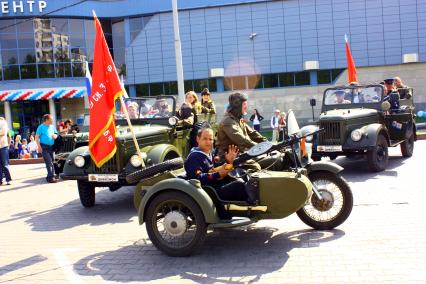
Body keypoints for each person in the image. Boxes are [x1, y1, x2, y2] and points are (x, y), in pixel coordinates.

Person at [185, 128, 255, 215]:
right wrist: (217, 174)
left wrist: (229, 162)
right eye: (205, 139)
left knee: (243, 175)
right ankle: (251, 208)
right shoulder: (194, 157)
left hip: (217, 185)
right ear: (197, 139)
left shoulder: (209, 154)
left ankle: (247, 205)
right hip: (210, 193)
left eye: (210, 139)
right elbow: (197, 178)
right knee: (239, 185)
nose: (208, 142)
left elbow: (217, 169)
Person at [216, 92, 267, 170]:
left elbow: (253, 133)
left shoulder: (238, 119)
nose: (246, 107)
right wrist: (259, 148)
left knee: (272, 159)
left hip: (241, 155)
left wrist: (266, 142)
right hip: (228, 158)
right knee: (256, 167)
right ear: (237, 106)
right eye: (244, 105)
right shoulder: (228, 121)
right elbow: (241, 139)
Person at [36, 114, 59, 183]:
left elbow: (56, 134)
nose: (52, 121)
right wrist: (39, 147)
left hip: (51, 147)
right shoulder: (41, 127)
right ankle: (51, 177)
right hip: (44, 147)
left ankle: (49, 176)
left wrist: (55, 136)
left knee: (52, 161)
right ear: (46, 120)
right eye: (51, 119)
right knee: (49, 162)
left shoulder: (52, 126)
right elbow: (37, 137)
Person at [0, 117, 12, 185]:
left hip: (4, 146)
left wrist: (9, 145)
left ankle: (8, 179)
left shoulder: (3, 123)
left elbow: (3, 132)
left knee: (5, 164)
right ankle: (0, 180)